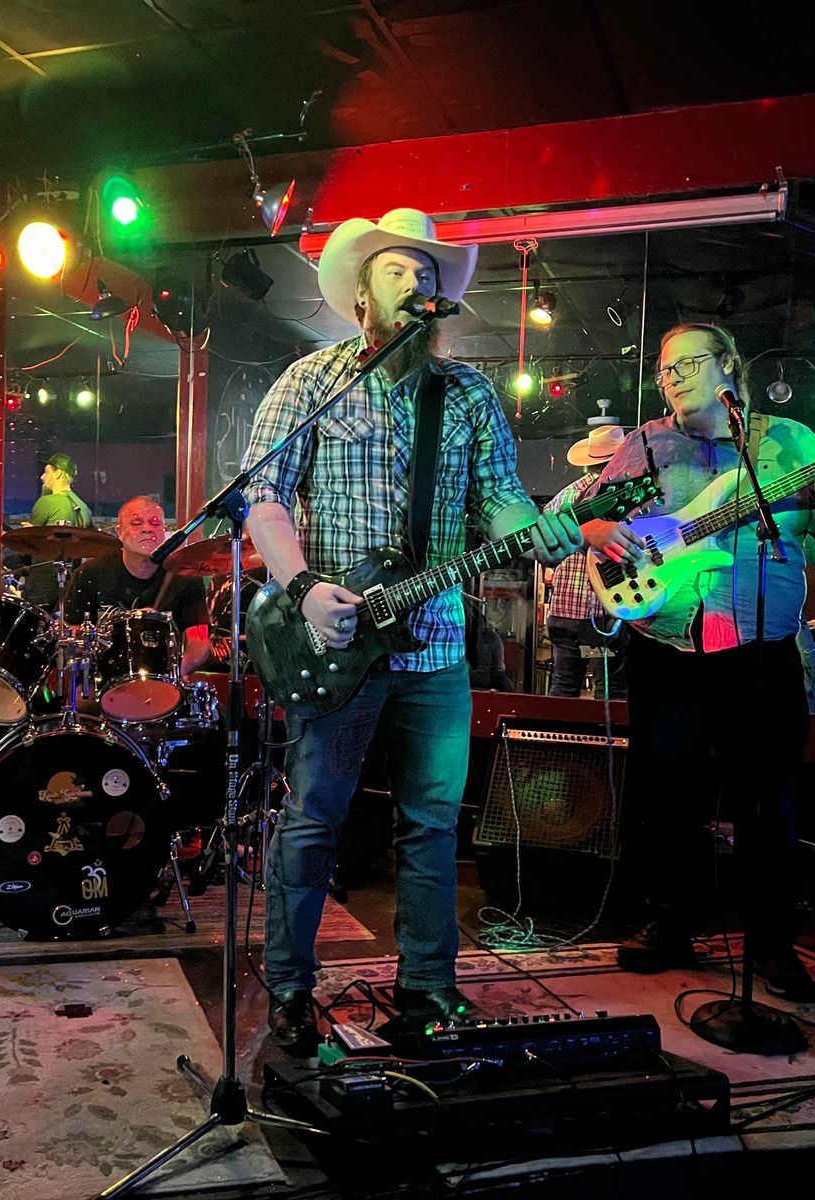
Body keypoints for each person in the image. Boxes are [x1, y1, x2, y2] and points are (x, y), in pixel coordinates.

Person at [242, 208, 583, 1055]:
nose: (416, 281)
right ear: (362, 295)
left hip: (435, 644)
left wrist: (534, 528)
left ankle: (427, 985)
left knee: (431, 823)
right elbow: (264, 497)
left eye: (426, 272)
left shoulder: (465, 393)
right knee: (314, 818)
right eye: (396, 269)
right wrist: (304, 588)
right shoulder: (312, 382)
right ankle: (290, 987)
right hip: (334, 641)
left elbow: (500, 498)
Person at [585, 322, 815, 996]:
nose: (672, 378)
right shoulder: (646, 443)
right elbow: (590, 516)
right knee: (669, 795)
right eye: (665, 370)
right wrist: (601, 530)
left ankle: (771, 944)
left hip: (763, 651)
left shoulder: (791, 442)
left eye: (687, 364)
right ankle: (673, 921)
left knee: (769, 803)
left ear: (728, 366)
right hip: (669, 646)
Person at [61, 495, 210, 673]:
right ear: (119, 532)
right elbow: (70, 630)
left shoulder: (185, 575)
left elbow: (200, 642)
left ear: (164, 531)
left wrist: (176, 673)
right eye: (136, 523)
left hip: (163, 679)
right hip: (103, 678)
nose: (147, 529)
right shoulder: (91, 572)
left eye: (155, 523)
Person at [542, 424, 629, 698]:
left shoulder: (564, 496)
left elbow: (545, 546)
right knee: (612, 693)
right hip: (608, 609)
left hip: (566, 611)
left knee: (564, 690)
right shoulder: (621, 495)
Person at [20, 452, 92, 608]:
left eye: (46, 472)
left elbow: (27, 542)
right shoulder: (85, 508)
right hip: (70, 584)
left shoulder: (47, 502)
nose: (42, 477)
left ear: (58, 473)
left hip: (43, 584)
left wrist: (26, 530)